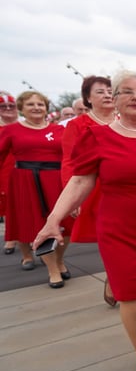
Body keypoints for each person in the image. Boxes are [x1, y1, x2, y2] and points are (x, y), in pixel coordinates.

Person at [33, 71, 136, 371]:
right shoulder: (98, 137)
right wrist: (53, 219)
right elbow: (80, 180)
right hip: (120, 230)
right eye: (127, 91)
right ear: (114, 98)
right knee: (131, 294)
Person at [0, 91, 72, 286]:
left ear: (46, 107)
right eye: (31, 104)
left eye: (40, 104)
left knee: (66, 225)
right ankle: (52, 269)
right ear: (22, 108)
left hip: (56, 181)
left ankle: (59, 260)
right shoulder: (11, 130)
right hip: (26, 181)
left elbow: (70, 156)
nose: (36, 107)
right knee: (36, 225)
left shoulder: (59, 130)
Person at [62, 75, 118, 306]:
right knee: (109, 239)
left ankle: (117, 277)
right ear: (88, 98)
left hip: (126, 188)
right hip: (94, 190)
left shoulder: (125, 119)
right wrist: (74, 199)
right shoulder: (78, 125)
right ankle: (114, 278)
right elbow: (69, 162)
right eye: (100, 91)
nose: (106, 95)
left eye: (109, 90)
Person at [1, 91, 19, 255]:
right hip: (5, 170)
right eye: (3, 106)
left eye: (11, 106)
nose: (7, 109)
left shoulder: (24, 124)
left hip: (25, 168)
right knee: (7, 203)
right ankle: (10, 236)